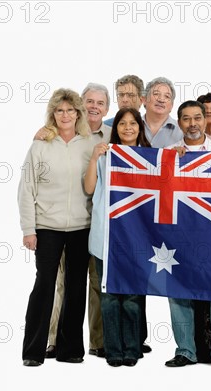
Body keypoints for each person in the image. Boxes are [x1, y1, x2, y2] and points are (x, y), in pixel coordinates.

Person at [34, 83, 111, 360]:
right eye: (88, 101)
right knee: (59, 283)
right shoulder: (48, 139)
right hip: (57, 223)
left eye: (100, 103)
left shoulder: (109, 134)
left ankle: (95, 342)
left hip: (94, 223)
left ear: (106, 109)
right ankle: (53, 340)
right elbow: (30, 184)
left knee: (92, 283)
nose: (93, 106)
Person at [164, 100, 211, 371]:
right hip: (179, 235)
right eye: (186, 119)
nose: (193, 124)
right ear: (179, 121)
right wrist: (170, 162)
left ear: (205, 120)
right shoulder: (168, 153)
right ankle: (185, 350)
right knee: (178, 292)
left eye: (198, 118)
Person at [18, 88, 93, 366]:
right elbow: (26, 189)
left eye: (70, 110)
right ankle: (33, 352)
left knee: (75, 288)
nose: (65, 115)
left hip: (81, 226)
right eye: (60, 110)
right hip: (46, 226)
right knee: (44, 285)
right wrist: (29, 228)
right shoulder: (40, 144)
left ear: (78, 113)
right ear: (53, 113)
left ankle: (70, 349)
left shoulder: (88, 143)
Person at [86, 108, 151, 367]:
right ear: (116, 128)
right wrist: (93, 159)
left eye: (133, 123)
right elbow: (89, 188)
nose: (127, 128)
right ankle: (113, 349)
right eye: (122, 123)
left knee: (133, 296)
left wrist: (176, 157)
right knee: (110, 295)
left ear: (139, 127)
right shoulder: (106, 155)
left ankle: (132, 348)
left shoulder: (150, 158)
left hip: (138, 238)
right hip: (107, 236)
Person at [141, 76, 183, 147]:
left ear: (171, 106)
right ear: (144, 100)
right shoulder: (130, 127)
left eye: (167, 96)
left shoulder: (182, 131)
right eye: (156, 94)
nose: (161, 100)